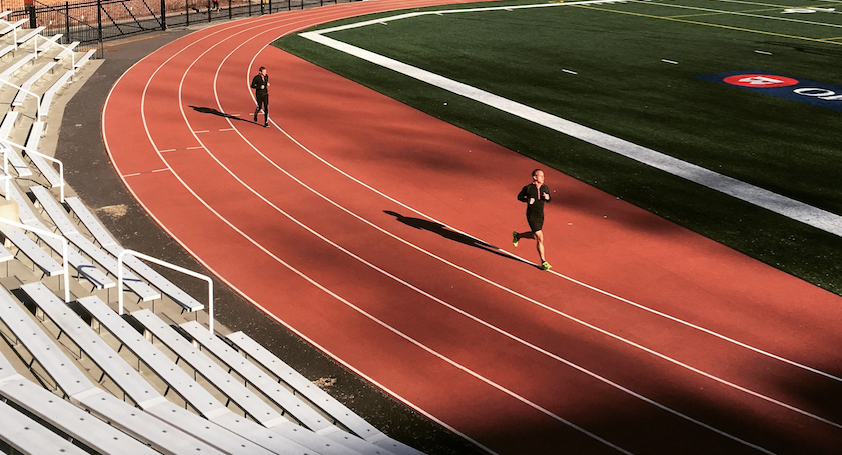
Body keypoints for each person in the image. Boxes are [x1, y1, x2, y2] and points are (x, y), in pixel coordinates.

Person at [513, 169, 552, 270]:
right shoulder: (529, 188)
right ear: (535, 177)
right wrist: (527, 200)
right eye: (541, 176)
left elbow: (549, 199)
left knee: (535, 236)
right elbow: (519, 197)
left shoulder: (545, 187)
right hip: (532, 215)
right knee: (540, 237)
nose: (543, 178)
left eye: (543, 176)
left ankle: (518, 235)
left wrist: (547, 197)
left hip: (541, 215)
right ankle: (544, 261)